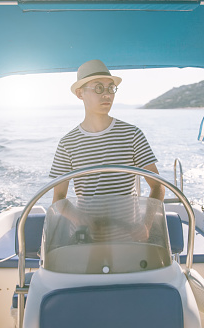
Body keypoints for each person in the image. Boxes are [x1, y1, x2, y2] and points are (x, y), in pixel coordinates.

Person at [48, 59, 165, 241]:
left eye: (111, 88)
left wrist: (146, 224)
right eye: (99, 88)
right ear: (80, 94)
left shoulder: (132, 134)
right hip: (86, 238)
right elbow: (59, 199)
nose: (107, 95)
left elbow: (157, 186)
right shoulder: (67, 143)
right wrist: (80, 218)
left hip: (128, 239)